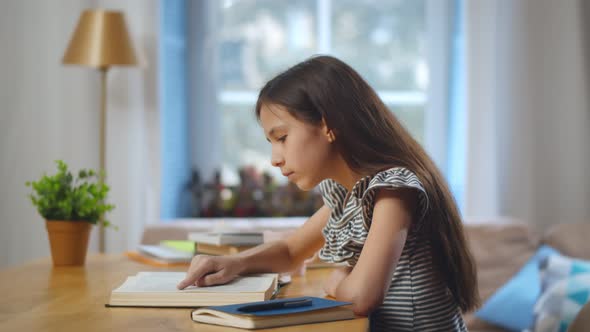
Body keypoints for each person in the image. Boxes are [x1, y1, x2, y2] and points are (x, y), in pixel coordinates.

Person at [178, 55, 479, 331]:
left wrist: (339, 281)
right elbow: (291, 251)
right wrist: (235, 263)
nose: (274, 158)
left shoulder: (393, 190)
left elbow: (362, 297)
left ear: (328, 125)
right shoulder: (348, 193)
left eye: (282, 138)